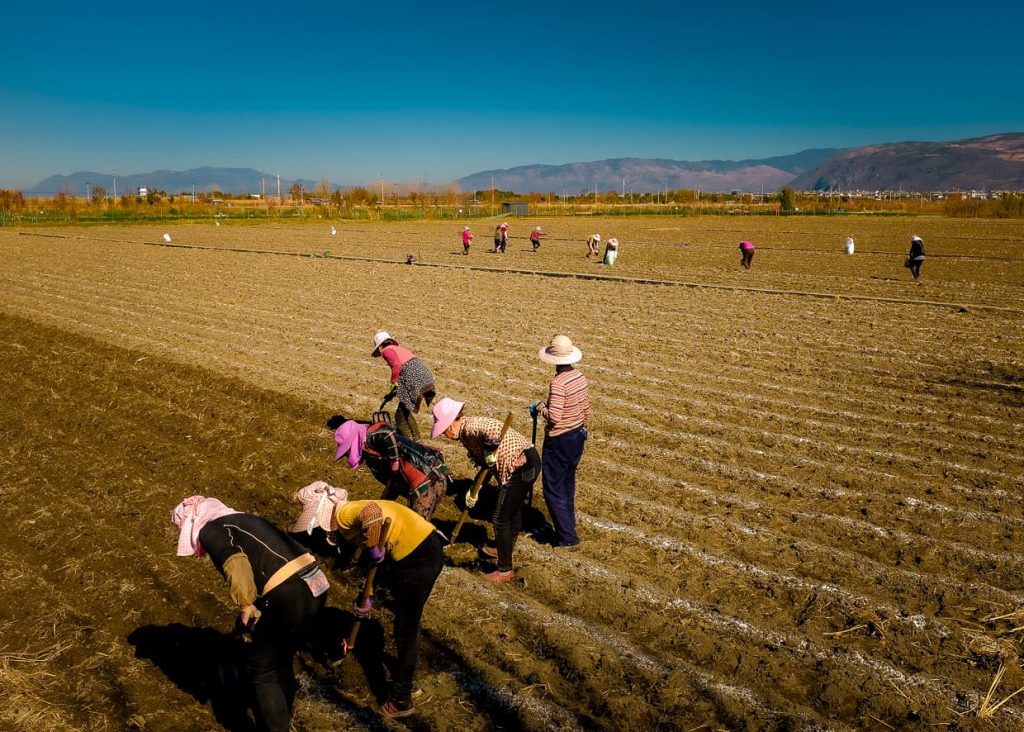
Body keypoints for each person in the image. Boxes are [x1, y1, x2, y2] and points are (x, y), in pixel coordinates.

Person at [172, 495, 329, 732]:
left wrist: (246, 605)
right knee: (282, 657)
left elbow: (236, 563)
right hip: (316, 581)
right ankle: (283, 718)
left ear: (192, 522)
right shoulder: (242, 519)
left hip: (289, 591)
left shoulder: (210, 528)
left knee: (262, 670)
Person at [292, 483, 444, 719]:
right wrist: (368, 595)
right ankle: (406, 678)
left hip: (418, 556)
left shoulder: (343, 514)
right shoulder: (350, 517)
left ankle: (402, 698)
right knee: (407, 625)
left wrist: (373, 547)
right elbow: (377, 559)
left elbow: (373, 514)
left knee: (406, 628)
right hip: (424, 547)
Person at [431, 397, 539, 582]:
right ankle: (504, 549)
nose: (444, 435)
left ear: (450, 425)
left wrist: (490, 448)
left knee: (500, 518)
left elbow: (492, 432)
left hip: (522, 466)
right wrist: (476, 488)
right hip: (527, 463)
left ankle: (505, 570)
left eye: (443, 430)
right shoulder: (465, 433)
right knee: (512, 512)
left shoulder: (472, 427)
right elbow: (487, 464)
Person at [328, 416, 448, 520]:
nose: (348, 455)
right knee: (414, 525)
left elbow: (388, 435)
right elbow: (394, 482)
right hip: (434, 477)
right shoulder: (375, 451)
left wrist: (394, 459)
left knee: (415, 528)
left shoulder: (370, 438)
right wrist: (380, 506)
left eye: (347, 451)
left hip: (427, 481)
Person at [532, 335, 589, 549]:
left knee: (553, 487)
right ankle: (568, 525)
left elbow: (554, 416)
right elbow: (586, 408)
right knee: (567, 482)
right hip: (577, 436)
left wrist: (539, 407)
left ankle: (567, 537)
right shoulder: (580, 377)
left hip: (559, 440)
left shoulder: (557, 383)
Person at [372, 331, 436, 440]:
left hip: (414, 379)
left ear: (380, 347)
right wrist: (391, 393)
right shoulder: (400, 349)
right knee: (405, 410)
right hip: (424, 377)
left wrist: (393, 382)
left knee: (400, 415)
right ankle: (417, 440)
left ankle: (406, 443)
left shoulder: (387, 351)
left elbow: (397, 365)